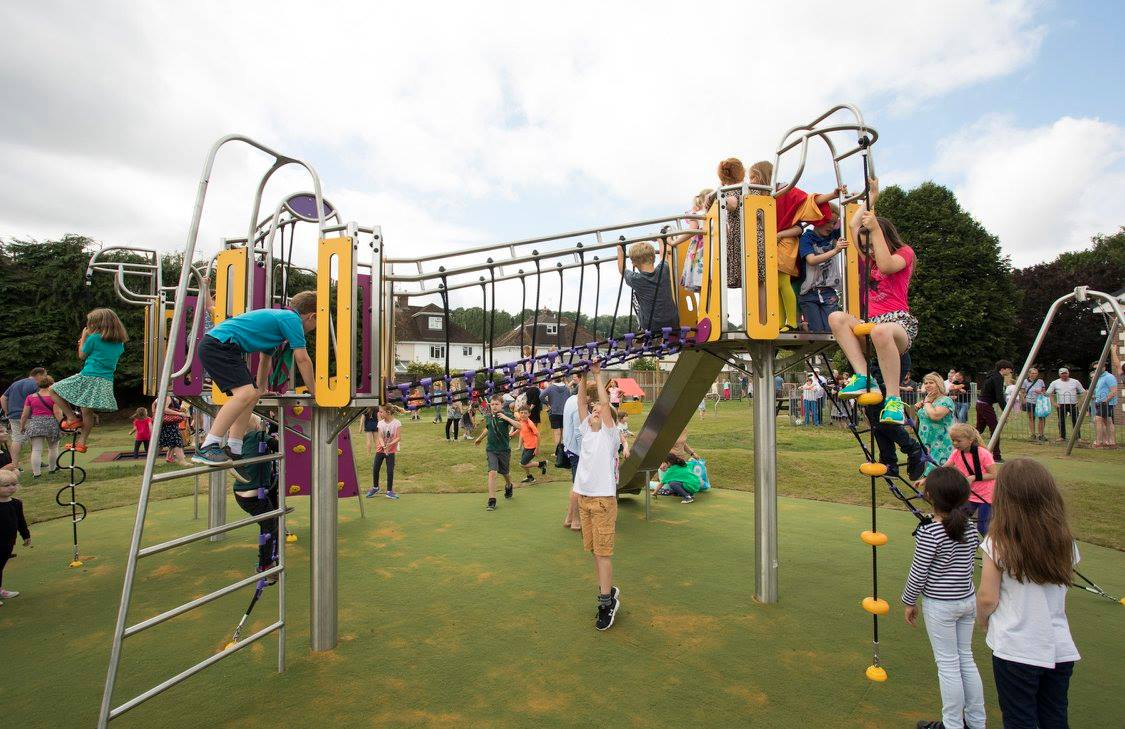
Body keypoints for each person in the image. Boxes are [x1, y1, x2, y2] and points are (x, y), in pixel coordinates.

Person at [976, 458, 1080, 728]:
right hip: (1058, 646)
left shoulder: (997, 543)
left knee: (1019, 718)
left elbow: (988, 597)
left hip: (1016, 647)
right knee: (1055, 716)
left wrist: (983, 621)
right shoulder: (1064, 540)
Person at [193, 291, 317, 470]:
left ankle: (234, 446)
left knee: (252, 394)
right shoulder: (292, 319)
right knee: (245, 393)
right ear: (312, 316)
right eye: (317, 322)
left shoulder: (277, 326)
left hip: (223, 346)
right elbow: (302, 359)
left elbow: (265, 359)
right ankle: (208, 446)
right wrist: (314, 391)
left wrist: (261, 388)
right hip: (220, 345)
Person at [902, 467, 986, 729]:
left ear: (930, 497)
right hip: (965, 600)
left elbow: (918, 572)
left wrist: (908, 601)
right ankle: (975, 721)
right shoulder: (969, 529)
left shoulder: (930, 533)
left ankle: (953, 724)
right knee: (965, 659)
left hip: (942, 605)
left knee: (948, 666)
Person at [829, 181, 919, 426]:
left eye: (871, 246)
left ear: (884, 237)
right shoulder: (868, 259)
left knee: (880, 331)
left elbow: (888, 265)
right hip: (873, 326)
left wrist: (876, 229)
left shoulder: (904, 253)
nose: (867, 252)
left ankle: (893, 400)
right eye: (865, 247)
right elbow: (853, 224)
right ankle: (863, 376)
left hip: (899, 324)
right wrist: (872, 196)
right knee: (836, 318)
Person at [748, 160, 842, 333]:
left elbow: (808, 201)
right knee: (775, 283)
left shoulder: (785, 191)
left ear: (762, 176)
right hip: (774, 244)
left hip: (785, 243)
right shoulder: (761, 198)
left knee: (783, 281)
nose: (750, 180)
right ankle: (779, 322)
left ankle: (791, 321)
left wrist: (831, 195)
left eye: (753, 176)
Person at [572, 362, 621, 631]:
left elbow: (602, 401)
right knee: (594, 551)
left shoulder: (609, 436)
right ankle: (607, 589)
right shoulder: (584, 432)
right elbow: (582, 403)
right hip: (585, 500)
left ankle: (606, 603)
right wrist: (581, 379)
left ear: (606, 418)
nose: (594, 411)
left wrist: (598, 374)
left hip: (603, 501)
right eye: (593, 411)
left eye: (599, 411)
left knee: (603, 554)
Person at [49, 308, 128, 453]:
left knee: (53, 389)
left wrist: (83, 338)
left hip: (89, 375)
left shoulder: (94, 338)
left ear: (97, 324)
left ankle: (71, 418)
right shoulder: (119, 343)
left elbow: (82, 355)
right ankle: (81, 442)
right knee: (87, 411)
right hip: (105, 380)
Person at [232, 415, 280, 578]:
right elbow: (279, 445)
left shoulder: (240, 442)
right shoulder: (257, 436)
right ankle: (265, 564)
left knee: (268, 524)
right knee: (270, 526)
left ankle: (268, 559)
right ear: (257, 426)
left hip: (241, 493)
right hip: (254, 494)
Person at [796, 203, 847, 332]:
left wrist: (853, 202)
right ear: (818, 220)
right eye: (828, 222)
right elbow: (811, 260)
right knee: (817, 331)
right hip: (809, 292)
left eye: (834, 223)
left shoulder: (833, 235)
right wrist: (835, 250)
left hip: (828, 291)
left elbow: (850, 222)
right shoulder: (807, 238)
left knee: (832, 329)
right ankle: (804, 325)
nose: (831, 226)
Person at [945, 423, 999, 535]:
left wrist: (973, 477)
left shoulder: (983, 454)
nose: (955, 443)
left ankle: (995, 549)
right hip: (970, 495)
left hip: (986, 496)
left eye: (958, 441)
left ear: (970, 440)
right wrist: (926, 479)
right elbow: (944, 468)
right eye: (953, 440)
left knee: (983, 527)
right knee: (958, 522)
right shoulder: (956, 453)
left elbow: (993, 474)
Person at [617, 239, 680, 334]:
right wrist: (660, 240)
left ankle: (640, 327)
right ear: (653, 258)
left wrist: (619, 248)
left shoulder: (635, 279)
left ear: (633, 263)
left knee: (635, 296)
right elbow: (664, 257)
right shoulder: (664, 269)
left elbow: (622, 269)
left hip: (650, 325)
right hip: (673, 322)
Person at [473, 395, 518, 511]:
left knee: (505, 473)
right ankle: (492, 500)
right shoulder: (488, 417)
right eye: (492, 404)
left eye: (497, 404)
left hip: (503, 450)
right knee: (492, 472)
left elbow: (520, 426)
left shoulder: (507, 415)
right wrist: (480, 438)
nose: (494, 406)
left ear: (501, 405)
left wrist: (506, 418)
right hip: (491, 449)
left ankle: (509, 485)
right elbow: (488, 428)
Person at [562, 383, 595, 532]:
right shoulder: (577, 406)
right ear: (588, 396)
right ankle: (576, 519)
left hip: (570, 447)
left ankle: (569, 518)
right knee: (578, 486)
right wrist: (586, 455)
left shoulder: (571, 399)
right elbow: (578, 432)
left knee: (576, 484)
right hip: (577, 451)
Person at [1, 367, 48, 470]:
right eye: (44, 375)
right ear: (39, 374)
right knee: (35, 439)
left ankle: (15, 465)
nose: (45, 378)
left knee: (17, 439)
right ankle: (37, 462)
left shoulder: (15, 383)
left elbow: (3, 398)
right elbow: (38, 400)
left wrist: (7, 412)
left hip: (13, 416)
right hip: (29, 415)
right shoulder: (36, 385)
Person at [19, 376, 61, 477]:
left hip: (35, 423)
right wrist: (62, 425)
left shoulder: (30, 397)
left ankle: (36, 474)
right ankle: (52, 469)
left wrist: (22, 426)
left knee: (36, 449)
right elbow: (57, 413)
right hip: (51, 424)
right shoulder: (55, 397)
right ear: (52, 384)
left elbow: (25, 414)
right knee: (53, 448)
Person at [0, 470, 31, 604]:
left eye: (14, 484)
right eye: (6, 485)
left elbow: (20, 521)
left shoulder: (16, 503)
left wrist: (26, 535)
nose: (11, 487)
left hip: (8, 542)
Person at [917, 373, 955, 475]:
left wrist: (927, 403)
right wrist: (919, 407)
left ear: (938, 384)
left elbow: (935, 416)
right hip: (926, 440)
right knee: (926, 471)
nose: (928, 385)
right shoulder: (927, 401)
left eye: (931, 382)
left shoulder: (946, 400)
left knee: (938, 471)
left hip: (941, 442)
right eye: (926, 383)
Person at [717, 158, 747, 287]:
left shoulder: (733, 190)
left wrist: (717, 196)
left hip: (739, 236)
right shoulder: (746, 188)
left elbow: (733, 203)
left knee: (745, 277)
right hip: (746, 234)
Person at [976, 360, 1013, 463]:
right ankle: (996, 456)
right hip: (985, 405)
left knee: (979, 429)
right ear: (1003, 369)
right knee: (995, 429)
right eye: (1009, 370)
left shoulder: (992, 376)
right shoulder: (998, 377)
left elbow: (994, 395)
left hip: (981, 404)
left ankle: (967, 446)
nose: (1010, 372)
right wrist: (1006, 410)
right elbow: (999, 396)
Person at [679, 188, 713, 293]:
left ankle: (703, 308)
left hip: (700, 252)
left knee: (702, 285)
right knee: (711, 284)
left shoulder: (697, 214)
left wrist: (676, 242)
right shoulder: (715, 214)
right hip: (712, 249)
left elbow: (692, 230)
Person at [366, 405, 401, 500]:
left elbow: (398, 437)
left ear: (388, 412)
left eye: (381, 412)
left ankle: (389, 491)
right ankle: (375, 487)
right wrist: (383, 445)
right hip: (380, 450)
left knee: (390, 471)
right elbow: (380, 436)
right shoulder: (380, 423)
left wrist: (389, 445)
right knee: (375, 468)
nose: (379, 413)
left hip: (391, 451)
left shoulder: (397, 423)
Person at [1044, 368, 1083, 442]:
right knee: (1061, 421)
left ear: (1068, 373)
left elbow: (1083, 392)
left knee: (1076, 420)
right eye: (1062, 373)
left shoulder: (1075, 382)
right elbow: (1048, 393)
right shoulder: (1054, 382)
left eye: (1065, 373)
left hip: (1073, 404)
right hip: (1061, 405)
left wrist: (1080, 403)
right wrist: (1053, 403)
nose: (1064, 375)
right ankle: (1062, 436)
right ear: (1059, 374)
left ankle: (1077, 436)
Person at [156, 395, 191, 466]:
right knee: (176, 441)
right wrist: (179, 413)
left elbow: (154, 406)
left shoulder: (162, 397)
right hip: (169, 424)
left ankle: (150, 461)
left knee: (160, 443)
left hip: (164, 423)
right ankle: (182, 461)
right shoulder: (168, 397)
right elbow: (165, 409)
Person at [516, 406, 548, 484]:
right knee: (525, 463)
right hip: (526, 446)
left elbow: (538, 435)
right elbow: (521, 432)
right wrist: (519, 445)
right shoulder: (521, 421)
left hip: (532, 447)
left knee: (523, 464)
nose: (523, 414)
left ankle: (542, 464)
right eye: (521, 413)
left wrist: (537, 449)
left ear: (529, 414)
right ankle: (529, 477)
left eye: (525, 413)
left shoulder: (530, 424)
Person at [1091, 362, 1118, 448]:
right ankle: (1110, 442)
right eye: (1095, 368)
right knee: (1107, 421)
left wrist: (1105, 401)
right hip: (1099, 401)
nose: (1096, 369)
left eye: (1098, 367)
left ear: (1104, 367)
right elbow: (1098, 390)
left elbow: (1113, 390)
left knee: (1098, 419)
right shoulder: (1098, 378)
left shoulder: (1109, 377)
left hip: (1106, 402)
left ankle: (1099, 442)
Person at [1019, 366, 1047, 443]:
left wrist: (1040, 392)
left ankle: (1041, 434)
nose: (1033, 375)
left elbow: (1044, 391)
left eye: (1035, 373)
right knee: (1031, 418)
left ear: (1037, 374)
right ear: (1029, 373)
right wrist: (1023, 400)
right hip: (1029, 401)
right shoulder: (1025, 381)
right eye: (1032, 373)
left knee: (1041, 418)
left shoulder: (1040, 381)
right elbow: (1022, 392)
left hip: (1040, 401)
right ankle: (1032, 434)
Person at [544, 373, 571, 451]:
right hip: (564, 413)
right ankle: (563, 451)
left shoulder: (551, 388)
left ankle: (557, 452)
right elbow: (569, 397)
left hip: (554, 412)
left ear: (553, 378)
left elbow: (541, 396)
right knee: (563, 433)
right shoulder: (566, 388)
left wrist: (547, 404)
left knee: (557, 433)